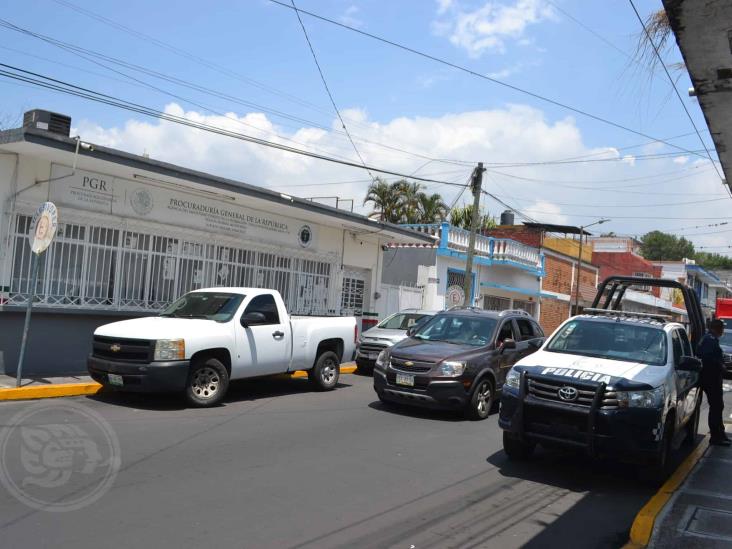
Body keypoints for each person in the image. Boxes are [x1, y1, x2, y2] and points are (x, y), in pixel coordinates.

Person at [698, 319, 730, 446]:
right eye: (722, 329)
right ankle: (716, 437)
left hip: (712, 378)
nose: (723, 331)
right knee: (716, 407)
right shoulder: (710, 340)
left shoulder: (709, 339)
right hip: (710, 379)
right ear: (717, 329)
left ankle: (720, 434)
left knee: (718, 406)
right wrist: (721, 367)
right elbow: (708, 359)